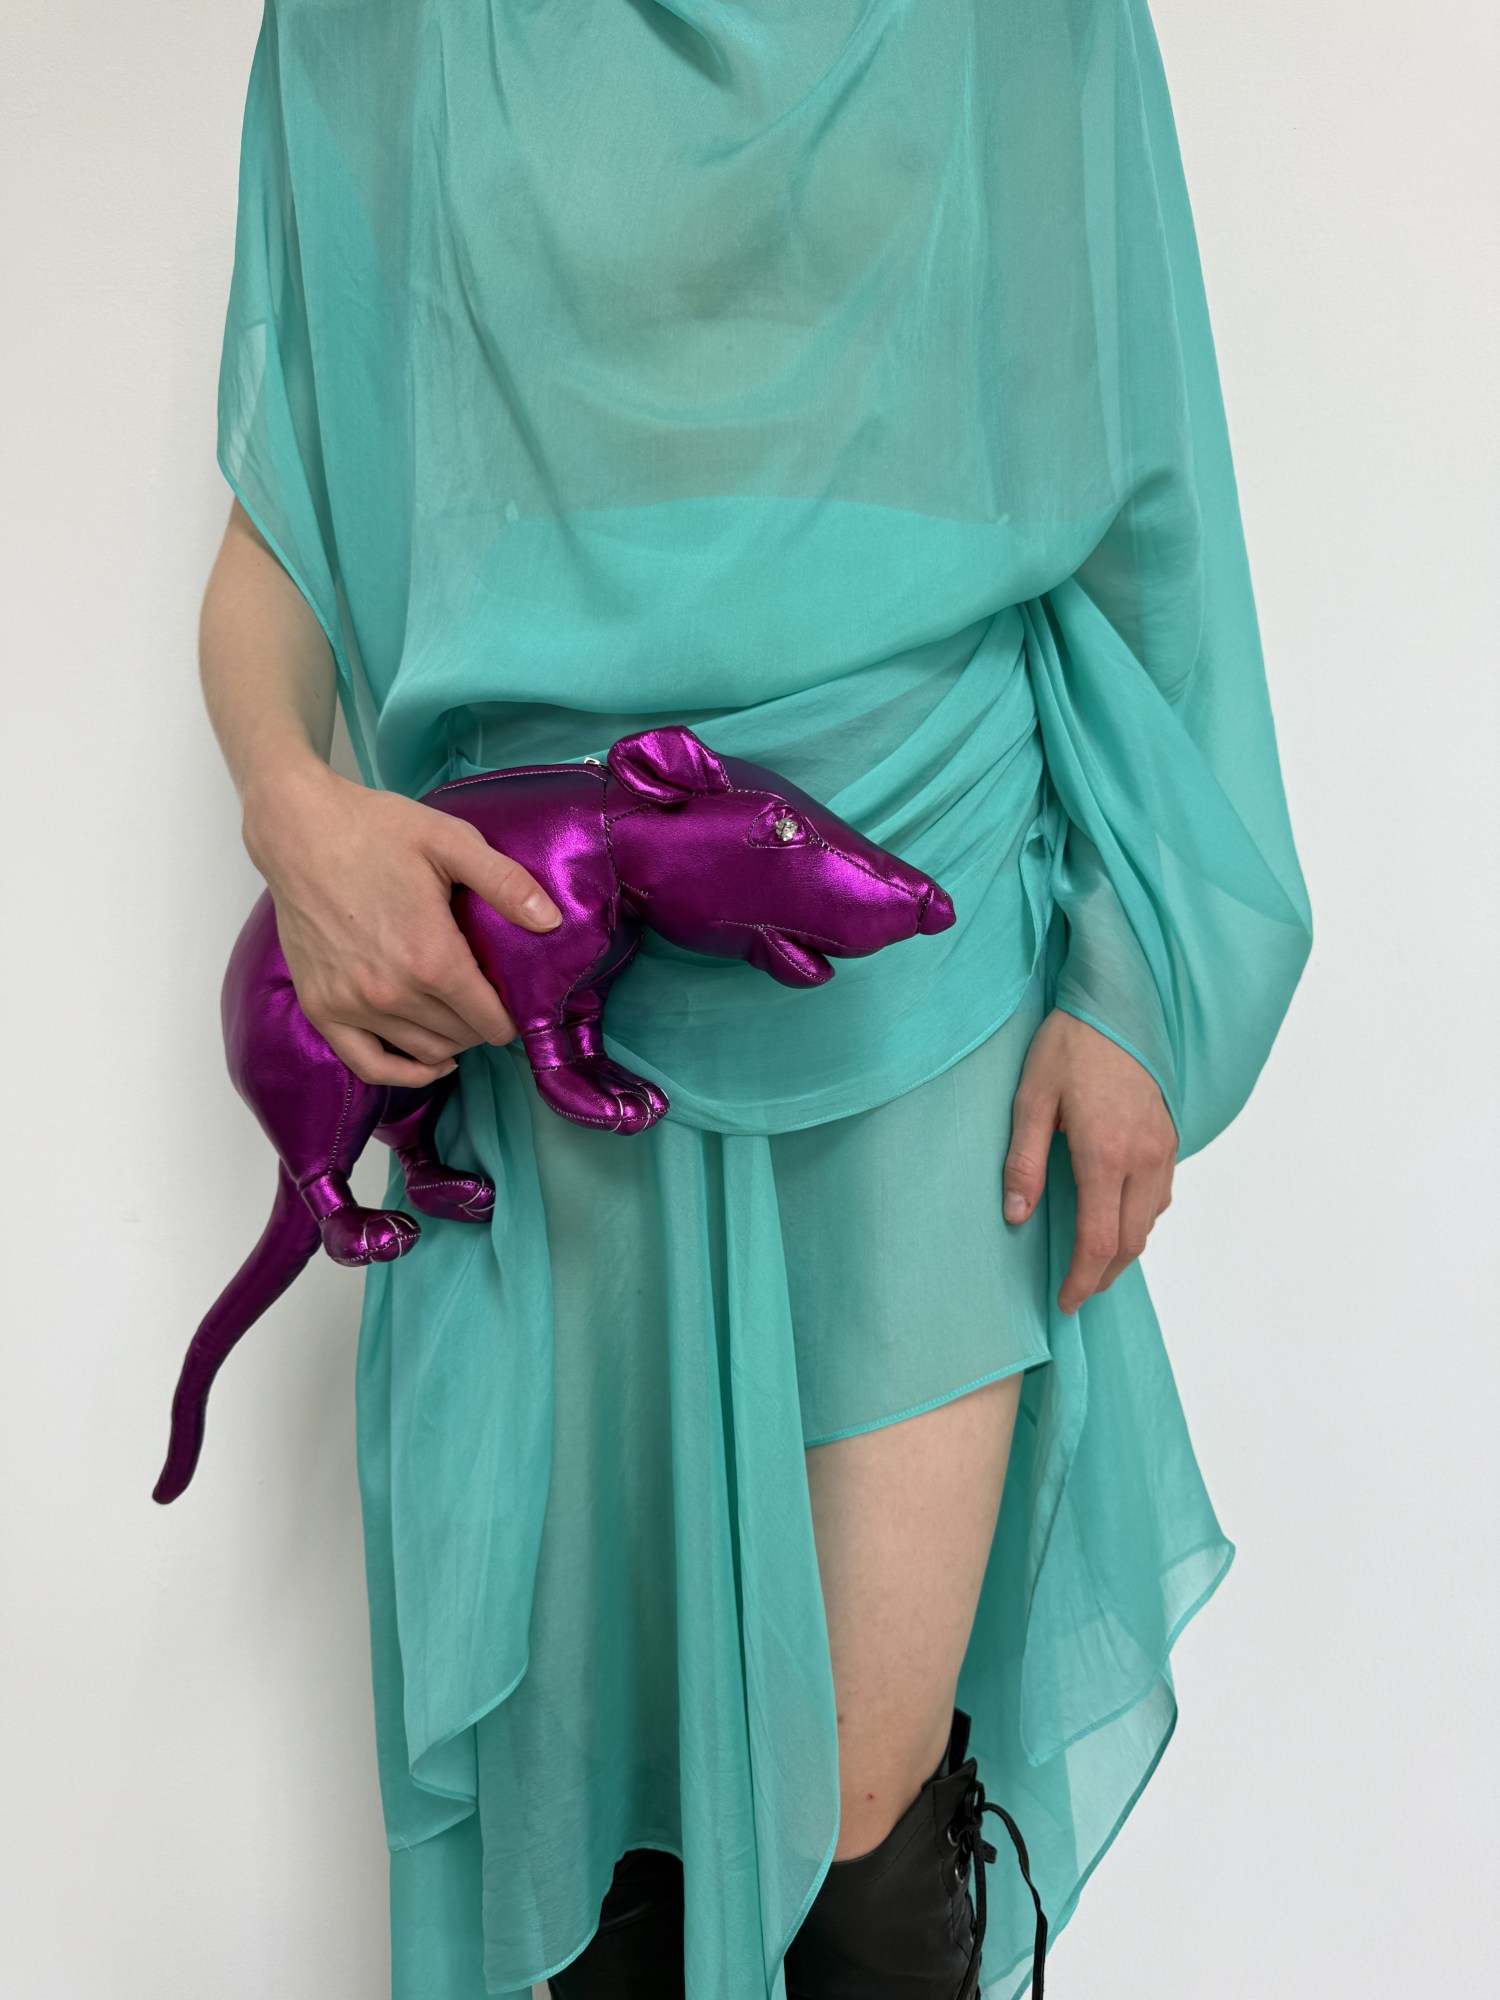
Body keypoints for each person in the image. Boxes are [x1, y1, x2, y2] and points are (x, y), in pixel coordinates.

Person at [193, 2, 1311, 1994]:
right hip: (531, 994)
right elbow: (290, 511)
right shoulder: (379, 29)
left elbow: (1150, 503)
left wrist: (1135, 977)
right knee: (604, 1845)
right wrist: (293, 809)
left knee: (858, 1856)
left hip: (920, 969)